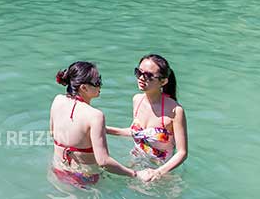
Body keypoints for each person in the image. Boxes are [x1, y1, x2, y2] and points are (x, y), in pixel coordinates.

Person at [51, 62, 149, 188]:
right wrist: (136, 174)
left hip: (59, 170)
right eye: (97, 82)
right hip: (84, 178)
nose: (100, 85)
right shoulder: (95, 116)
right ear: (84, 88)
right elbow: (103, 161)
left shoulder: (57, 100)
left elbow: (53, 133)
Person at [106, 54, 188, 182]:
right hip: (136, 163)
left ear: (164, 81)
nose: (141, 78)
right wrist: (104, 129)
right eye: (139, 72)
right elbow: (136, 133)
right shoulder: (136, 100)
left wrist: (157, 173)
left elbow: (182, 153)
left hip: (163, 173)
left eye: (149, 75)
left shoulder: (175, 111)